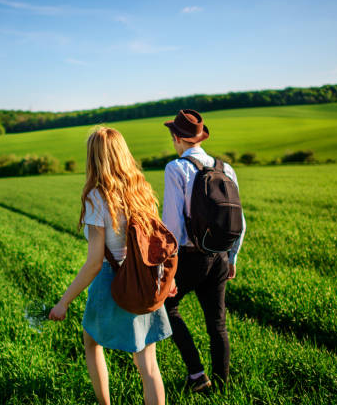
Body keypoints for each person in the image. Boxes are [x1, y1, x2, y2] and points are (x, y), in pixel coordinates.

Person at [49, 126, 175, 405]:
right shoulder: (140, 188)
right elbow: (156, 242)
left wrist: (64, 302)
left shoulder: (97, 197)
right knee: (148, 363)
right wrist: (167, 280)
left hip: (112, 279)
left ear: (94, 158)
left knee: (91, 342)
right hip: (143, 278)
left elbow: (94, 262)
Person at [162, 109, 246, 392]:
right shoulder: (226, 169)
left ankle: (197, 376)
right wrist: (232, 257)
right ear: (199, 137)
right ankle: (222, 387)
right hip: (220, 256)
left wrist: (168, 269)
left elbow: (172, 226)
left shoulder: (176, 169)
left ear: (177, 138)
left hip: (190, 258)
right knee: (217, 324)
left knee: (166, 306)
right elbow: (239, 220)